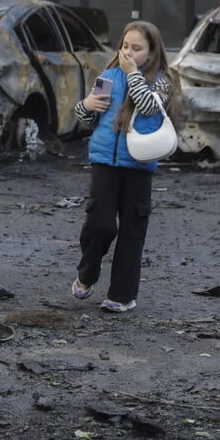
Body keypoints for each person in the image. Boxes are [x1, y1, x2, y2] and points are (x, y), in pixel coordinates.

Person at [70, 21, 174, 313]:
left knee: (132, 230)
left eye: (137, 48)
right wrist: (87, 104)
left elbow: (148, 106)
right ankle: (87, 273)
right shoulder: (108, 76)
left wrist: (133, 75)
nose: (128, 52)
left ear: (152, 53)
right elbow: (87, 119)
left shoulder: (162, 80)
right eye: (125, 46)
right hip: (105, 160)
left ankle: (122, 295)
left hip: (139, 164)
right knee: (99, 223)